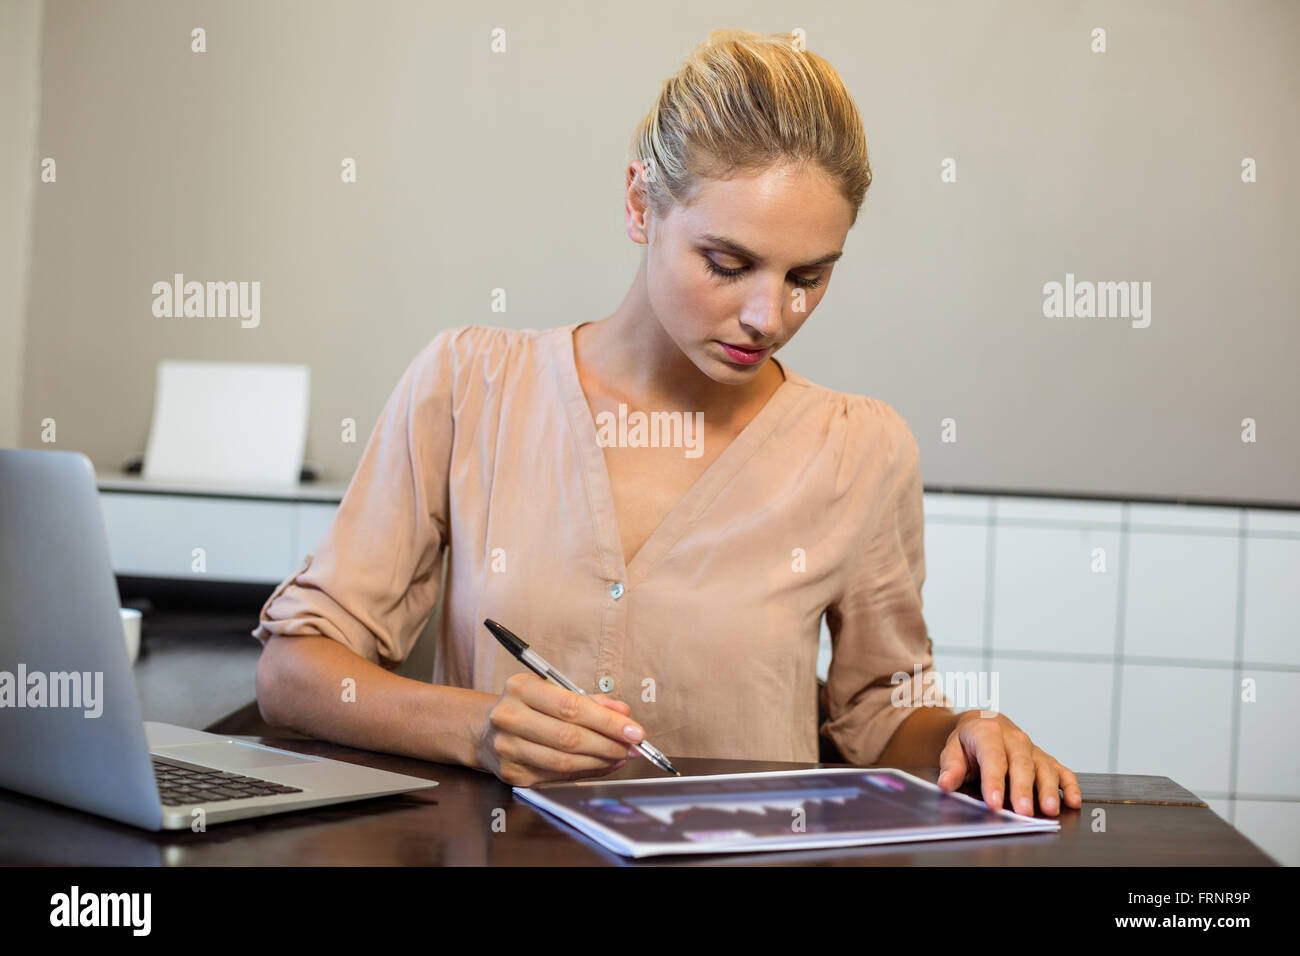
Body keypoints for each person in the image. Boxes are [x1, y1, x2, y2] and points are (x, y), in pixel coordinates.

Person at [253, 28, 1081, 818]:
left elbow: (879, 716)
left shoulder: (861, 449)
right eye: (727, 263)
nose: (769, 316)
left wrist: (966, 733)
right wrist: (476, 729)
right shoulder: (469, 387)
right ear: (640, 203)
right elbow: (293, 674)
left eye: (808, 277)